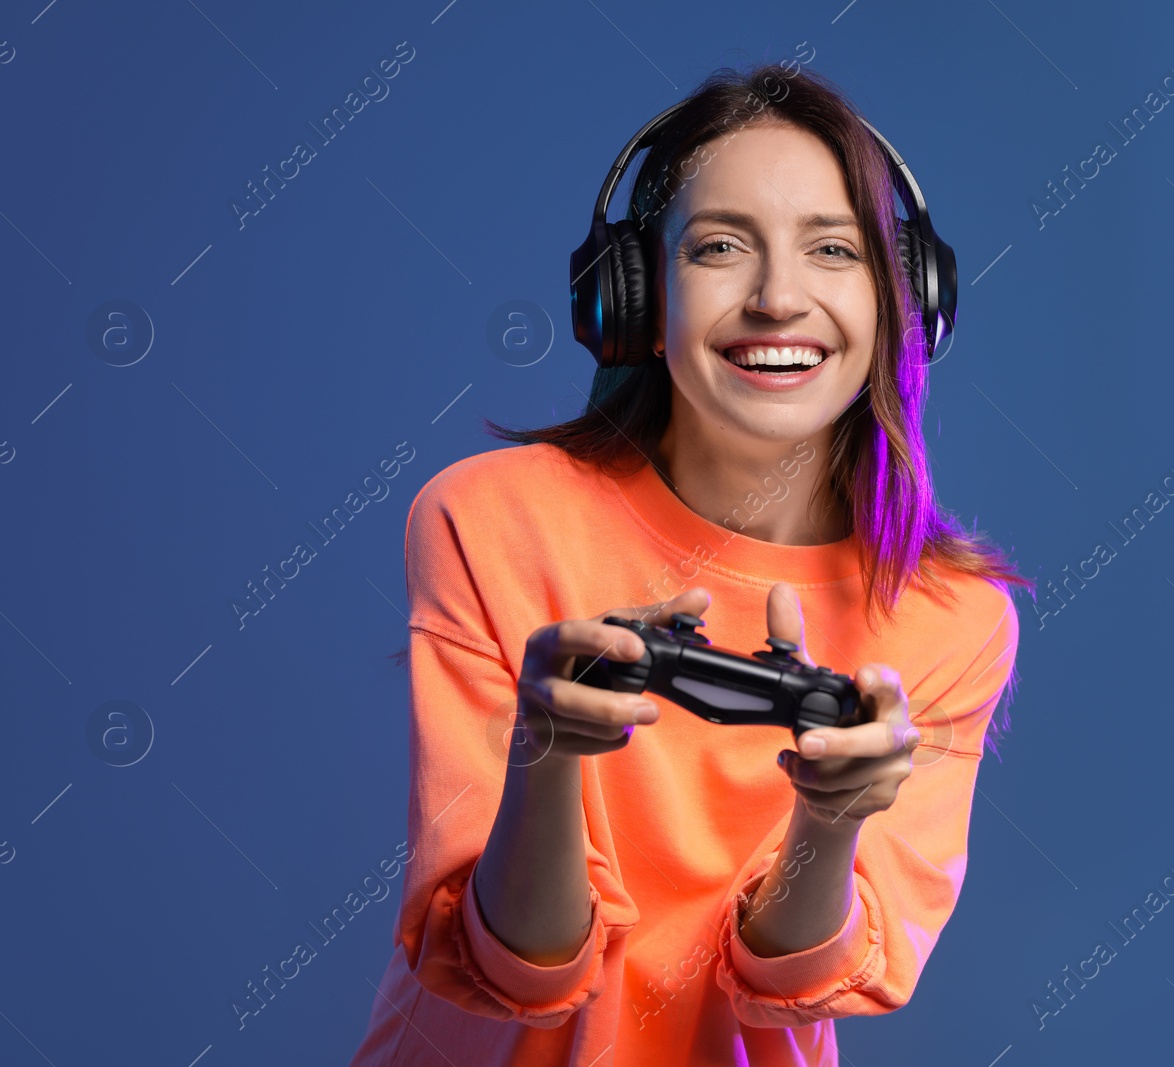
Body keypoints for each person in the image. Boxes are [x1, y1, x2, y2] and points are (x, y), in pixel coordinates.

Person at [348, 63, 1029, 1067]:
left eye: (833, 250)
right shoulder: (489, 517)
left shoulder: (951, 616)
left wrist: (829, 821)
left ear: (902, 301)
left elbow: (790, 984)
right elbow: (509, 971)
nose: (777, 297)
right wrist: (548, 756)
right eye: (719, 247)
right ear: (633, 299)